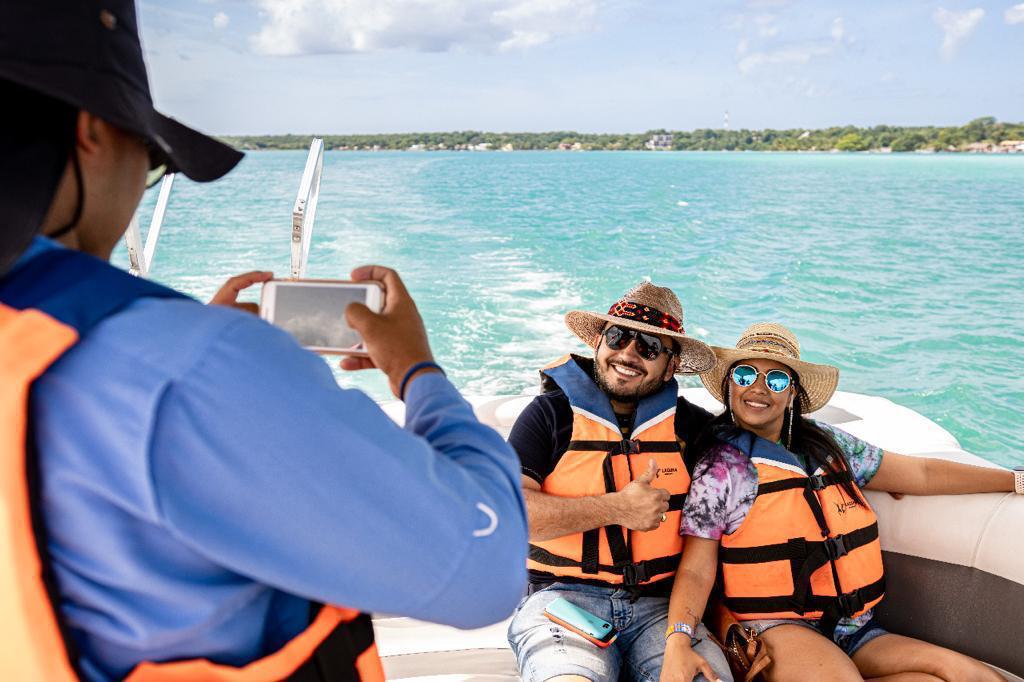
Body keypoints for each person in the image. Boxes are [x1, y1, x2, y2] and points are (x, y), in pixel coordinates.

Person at [0, 2, 527, 680]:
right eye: (152, 161)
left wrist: (191, 349)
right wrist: (418, 371)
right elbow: (482, 569)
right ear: (93, 130)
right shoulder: (191, 367)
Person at [662, 322, 1015, 682]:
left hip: (854, 629)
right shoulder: (720, 469)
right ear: (729, 384)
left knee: (973, 675)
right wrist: (678, 640)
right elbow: (695, 569)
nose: (758, 388)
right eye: (745, 374)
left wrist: (1014, 480)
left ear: (792, 393)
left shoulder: (830, 445)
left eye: (777, 380)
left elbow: (921, 473)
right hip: (777, 626)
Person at [507, 282, 733, 682]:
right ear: (598, 341)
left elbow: (759, 452)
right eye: (618, 336)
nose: (628, 353)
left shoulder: (694, 431)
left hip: (663, 610)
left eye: (648, 346)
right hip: (560, 600)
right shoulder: (548, 415)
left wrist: (688, 632)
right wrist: (617, 508)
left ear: (672, 364)